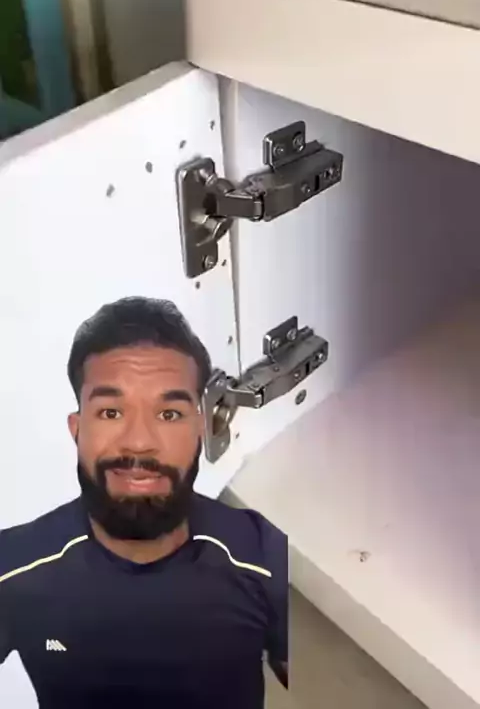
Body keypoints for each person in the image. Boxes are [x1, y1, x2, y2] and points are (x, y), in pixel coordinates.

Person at [0, 297, 288, 708]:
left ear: (200, 431)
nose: (138, 442)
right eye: (111, 413)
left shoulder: (267, 559)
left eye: (169, 414)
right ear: (77, 430)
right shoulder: (13, 569)